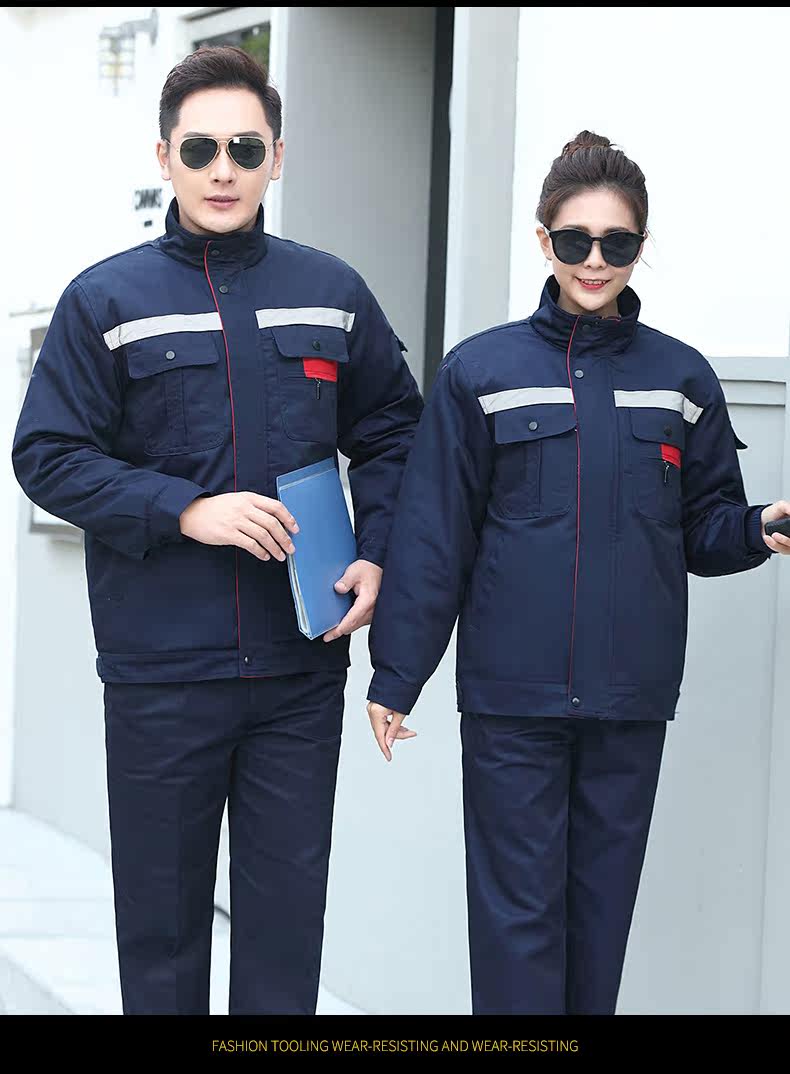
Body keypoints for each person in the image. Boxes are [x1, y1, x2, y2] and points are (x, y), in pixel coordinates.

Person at [12, 45, 423, 1015]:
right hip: (162, 672)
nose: (223, 169)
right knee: (162, 932)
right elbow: (47, 454)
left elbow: (394, 431)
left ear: (278, 155)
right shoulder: (105, 301)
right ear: (165, 158)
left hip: (297, 672)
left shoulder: (332, 291)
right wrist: (185, 509)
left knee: (285, 930)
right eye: (199, 149)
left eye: (245, 147)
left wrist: (378, 552)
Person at [365, 130, 790, 1015]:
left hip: (630, 699)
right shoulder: (480, 372)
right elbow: (435, 534)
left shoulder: (682, 378)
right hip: (512, 701)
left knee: (600, 925)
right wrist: (398, 674)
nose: (595, 261)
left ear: (641, 246)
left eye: (617, 243)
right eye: (575, 240)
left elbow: (703, 528)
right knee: (517, 926)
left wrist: (758, 529)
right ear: (543, 241)